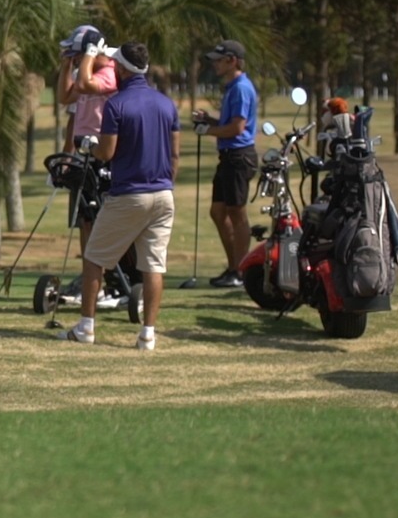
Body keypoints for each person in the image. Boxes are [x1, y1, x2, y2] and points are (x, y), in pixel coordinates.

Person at [59, 41, 178, 350]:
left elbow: (107, 152)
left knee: (95, 259)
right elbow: (175, 155)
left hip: (129, 194)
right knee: (153, 265)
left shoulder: (117, 104)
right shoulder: (167, 104)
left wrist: (88, 146)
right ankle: (147, 334)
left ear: (123, 69)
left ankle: (86, 327)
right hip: (164, 194)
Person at [56, 25, 120, 305]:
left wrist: (86, 59)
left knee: (103, 220)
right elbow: (65, 96)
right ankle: (90, 276)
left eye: (77, 53)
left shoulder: (109, 72)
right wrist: (65, 66)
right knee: (85, 219)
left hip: (104, 153)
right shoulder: (86, 70)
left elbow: (83, 86)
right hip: (84, 153)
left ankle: (107, 278)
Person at [192, 39, 259, 288]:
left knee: (236, 213)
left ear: (232, 61)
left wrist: (208, 131)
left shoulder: (241, 88)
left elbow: (237, 128)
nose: (215, 65)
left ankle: (241, 271)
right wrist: (210, 120)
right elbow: (229, 123)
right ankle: (234, 267)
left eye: (219, 60)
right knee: (218, 211)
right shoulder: (232, 86)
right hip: (230, 156)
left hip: (239, 156)